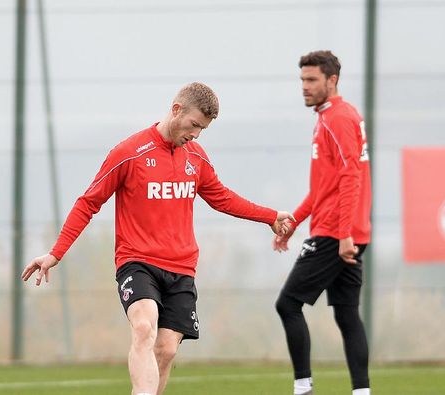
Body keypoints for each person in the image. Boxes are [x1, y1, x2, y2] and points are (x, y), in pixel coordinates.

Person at [21, 82, 294, 395]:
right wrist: (56, 253)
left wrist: (270, 216)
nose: (196, 135)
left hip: (181, 268)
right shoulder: (129, 153)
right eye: (194, 125)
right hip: (137, 262)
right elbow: (89, 202)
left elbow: (221, 198)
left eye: (203, 129)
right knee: (144, 325)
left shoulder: (197, 157)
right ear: (176, 110)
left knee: (166, 350)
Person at [273, 51, 372, 395]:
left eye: (312, 80)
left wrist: (344, 233)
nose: (305, 87)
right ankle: (362, 391)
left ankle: (303, 387)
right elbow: (323, 187)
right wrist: (295, 222)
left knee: (287, 304)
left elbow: (351, 177)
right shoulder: (328, 117)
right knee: (346, 314)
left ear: (332, 80)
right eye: (302, 80)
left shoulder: (339, 118)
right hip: (342, 229)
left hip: (335, 231)